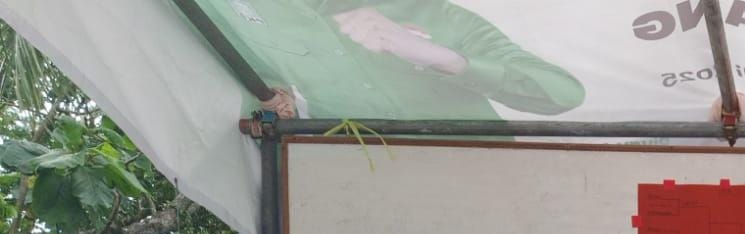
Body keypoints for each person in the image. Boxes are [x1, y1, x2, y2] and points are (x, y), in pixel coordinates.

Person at [194, 0, 585, 119]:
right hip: (353, 201)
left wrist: (443, 58)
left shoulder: (439, 14)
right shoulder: (257, 18)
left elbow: (563, 94)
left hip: (490, 187)